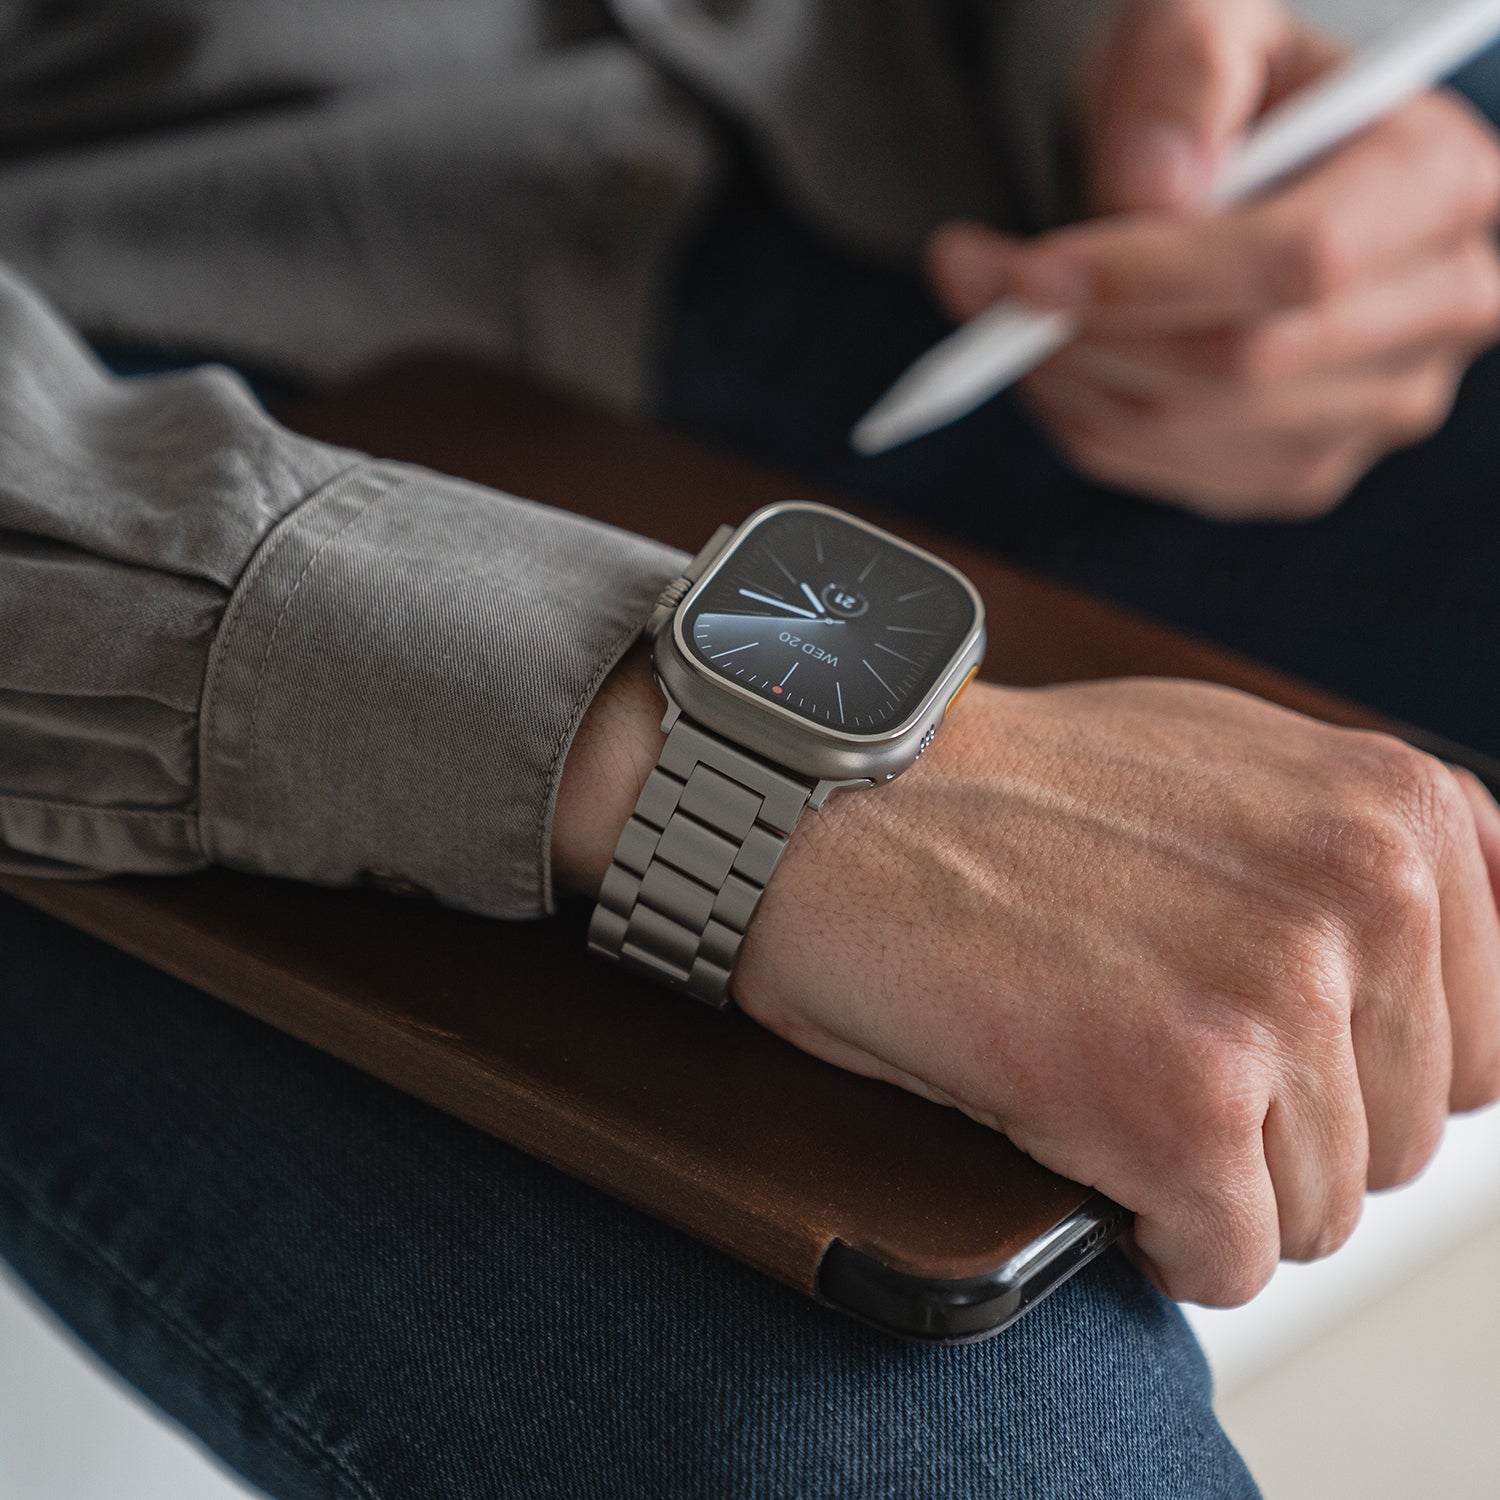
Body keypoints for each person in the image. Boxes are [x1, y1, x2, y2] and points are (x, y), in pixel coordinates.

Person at [4, 0, 1500, 1494]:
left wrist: (1128, 54)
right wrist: (688, 755)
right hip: (134, 468)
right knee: (958, 1458)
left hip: (917, 158)